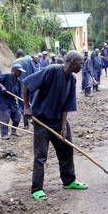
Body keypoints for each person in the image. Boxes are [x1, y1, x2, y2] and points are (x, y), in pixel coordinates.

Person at [21, 50, 88, 201]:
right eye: (80, 63)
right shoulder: (51, 71)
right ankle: (37, 188)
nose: (82, 66)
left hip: (59, 120)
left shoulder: (72, 78)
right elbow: (26, 84)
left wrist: (63, 126)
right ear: (71, 61)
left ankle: (69, 181)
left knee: (66, 149)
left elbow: (67, 104)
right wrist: (26, 107)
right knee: (41, 156)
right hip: (42, 120)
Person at [0, 64, 25, 139]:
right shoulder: (7, 76)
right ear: (15, 71)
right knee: (5, 118)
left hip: (12, 102)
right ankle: (4, 134)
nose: (21, 73)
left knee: (18, 116)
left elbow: (19, 95)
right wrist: (2, 86)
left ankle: (14, 131)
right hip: (4, 101)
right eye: (19, 71)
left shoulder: (18, 81)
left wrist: (24, 105)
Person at [13, 49, 36, 129]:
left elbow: (13, 76)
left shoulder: (14, 63)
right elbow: (35, 71)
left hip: (20, 86)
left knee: (23, 104)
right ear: (23, 54)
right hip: (31, 84)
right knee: (32, 102)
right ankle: (34, 120)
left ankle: (26, 124)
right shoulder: (29, 60)